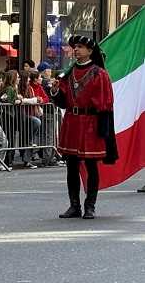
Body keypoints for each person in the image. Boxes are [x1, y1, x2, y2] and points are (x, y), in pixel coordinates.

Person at [51, 35, 118, 219]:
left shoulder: (99, 74)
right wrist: (56, 91)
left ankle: (90, 206)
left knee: (91, 166)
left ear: (90, 50)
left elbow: (105, 104)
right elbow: (63, 102)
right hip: (72, 122)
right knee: (71, 166)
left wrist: (103, 131)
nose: (76, 50)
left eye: (80, 47)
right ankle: (74, 206)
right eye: (75, 47)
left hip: (90, 124)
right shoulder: (69, 73)